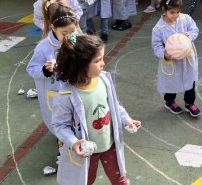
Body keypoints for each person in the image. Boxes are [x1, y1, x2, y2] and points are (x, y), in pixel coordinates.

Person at [52, 34, 141, 185]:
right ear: (80, 65)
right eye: (98, 60)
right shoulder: (66, 95)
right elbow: (59, 125)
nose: (103, 64)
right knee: (86, 180)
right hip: (86, 153)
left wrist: (126, 120)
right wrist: (74, 142)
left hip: (109, 144)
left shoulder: (104, 80)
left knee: (119, 178)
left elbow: (114, 105)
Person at [27, 0, 78, 134]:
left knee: (74, 116)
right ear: (53, 28)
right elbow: (31, 69)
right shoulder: (43, 48)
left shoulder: (77, 41)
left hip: (73, 89)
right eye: (64, 32)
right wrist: (45, 70)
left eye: (72, 32)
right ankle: (62, 141)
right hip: (55, 92)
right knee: (58, 120)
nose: (68, 36)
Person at [152, 0, 201, 117]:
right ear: (164, 10)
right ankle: (169, 101)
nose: (176, 15)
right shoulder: (158, 28)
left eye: (178, 12)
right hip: (172, 61)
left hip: (187, 58)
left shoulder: (185, 19)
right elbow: (157, 46)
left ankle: (189, 103)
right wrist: (164, 54)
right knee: (172, 83)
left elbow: (194, 29)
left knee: (190, 81)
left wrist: (188, 36)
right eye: (172, 12)